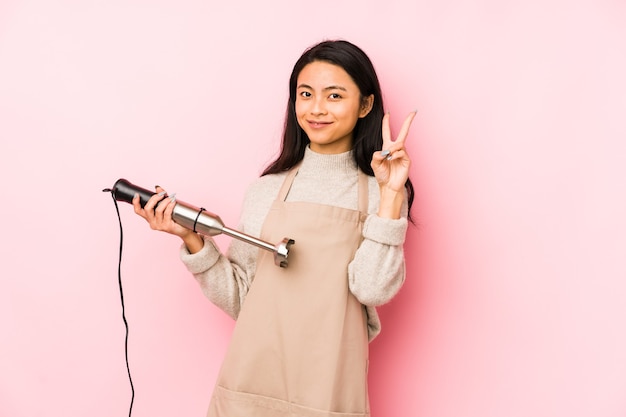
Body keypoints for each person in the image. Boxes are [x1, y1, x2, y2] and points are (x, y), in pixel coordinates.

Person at [133, 39, 416, 417]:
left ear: (365, 104)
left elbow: (372, 289)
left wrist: (390, 197)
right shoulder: (267, 189)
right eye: (305, 94)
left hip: (328, 390)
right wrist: (192, 240)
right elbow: (244, 299)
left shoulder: (379, 190)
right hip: (252, 386)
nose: (316, 108)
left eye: (334, 96)